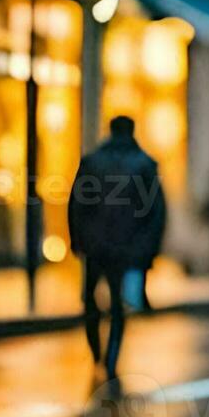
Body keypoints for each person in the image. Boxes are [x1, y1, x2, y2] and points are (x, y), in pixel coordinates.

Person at [68, 116, 166, 380]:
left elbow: (77, 204)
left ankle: (96, 351)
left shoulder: (93, 163)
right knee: (117, 302)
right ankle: (110, 357)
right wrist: (148, 249)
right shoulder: (144, 165)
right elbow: (156, 213)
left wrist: (77, 240)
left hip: (95, 244)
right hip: (126, 245)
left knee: (89, 297)